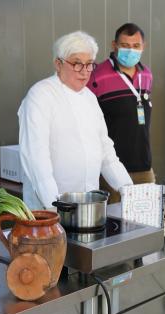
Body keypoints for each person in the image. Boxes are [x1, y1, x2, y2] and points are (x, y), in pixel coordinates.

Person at [18, 31, 133, 210]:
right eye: (77, 64)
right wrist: (54, 206)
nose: (85, 72)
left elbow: (106, 153)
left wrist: (129, 190)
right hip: (48, 209)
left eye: (89, 65)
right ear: (58, 63)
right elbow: (36, 158)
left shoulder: (90, 98)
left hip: (89, 205)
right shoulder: (41, 95)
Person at [88, 23, 154, 203]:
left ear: (143, 47)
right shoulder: (96, 75)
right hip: (110, 168)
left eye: (136, 46)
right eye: (125, 45)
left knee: (147, 223)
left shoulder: (146, 74)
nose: (130, 50)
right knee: (116, 227)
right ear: (114, 45)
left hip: (143, 166)